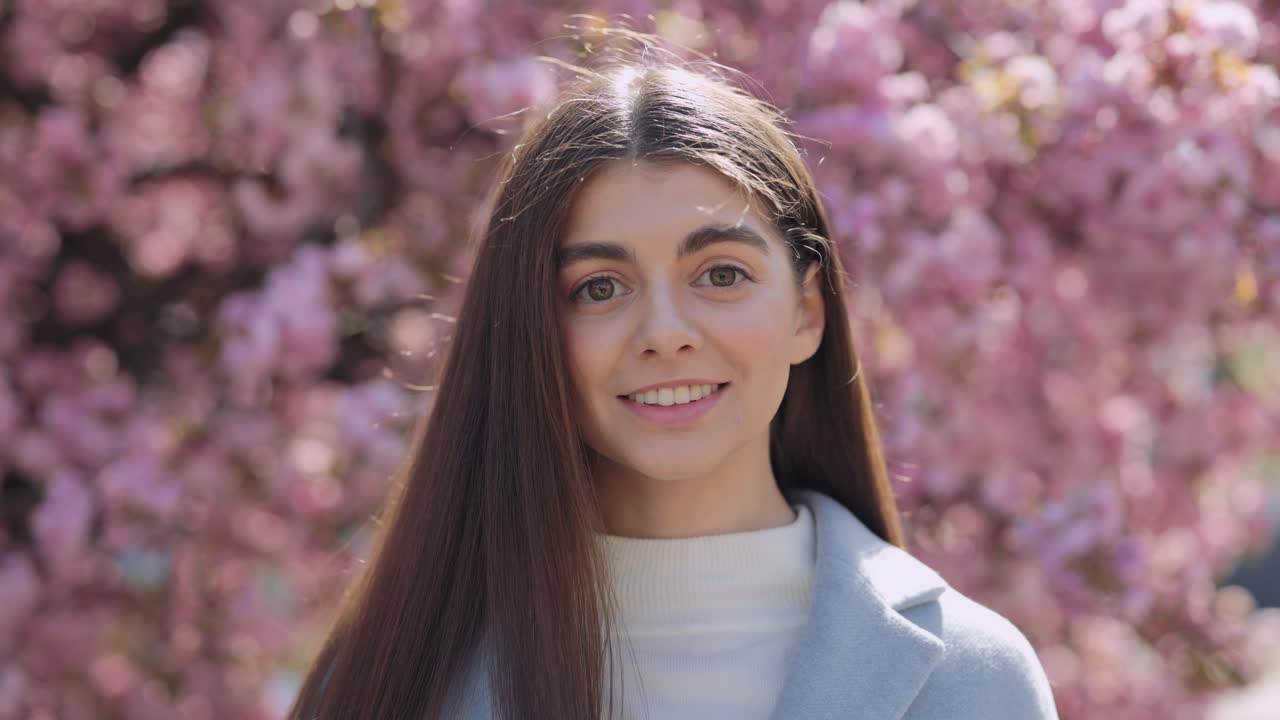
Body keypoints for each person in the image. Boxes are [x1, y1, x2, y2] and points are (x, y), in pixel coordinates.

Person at [287, 43, 1060, 720]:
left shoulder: (971, 681)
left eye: (721, 274)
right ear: (531, 333)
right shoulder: (397, 681)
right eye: (599, 288)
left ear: (807, 312)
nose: (664, 332)